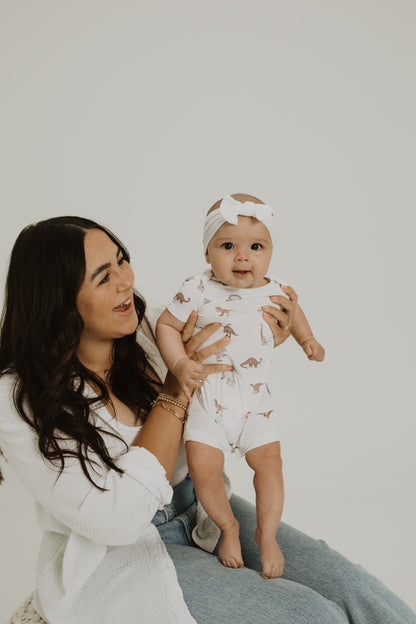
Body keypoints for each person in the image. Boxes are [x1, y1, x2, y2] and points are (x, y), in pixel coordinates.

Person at [1, 217, 415, 624]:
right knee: (308, 614)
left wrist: (271, 330)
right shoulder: (17, 399)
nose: (126, 281)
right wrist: (175, 390)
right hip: (116, 556)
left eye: (122, 260)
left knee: (352, 587)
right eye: (103, 276)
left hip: (203, 509)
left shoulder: (151, 331)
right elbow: (116, 521)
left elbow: (236, 350)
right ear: (56, 298)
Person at [156, 193, 325, 578]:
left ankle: (266, 535)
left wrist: (308, 341)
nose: (242, 257)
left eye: (256, 247)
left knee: (270, 465)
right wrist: (180, 362)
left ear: (270, 251)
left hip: (255, 399)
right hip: (207, 395)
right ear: (207, 253)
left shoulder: (277, 288)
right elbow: (165, 325)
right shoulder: (196, 288)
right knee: (203, 468)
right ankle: (228, 527)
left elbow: (295, 315)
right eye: (228, 246)